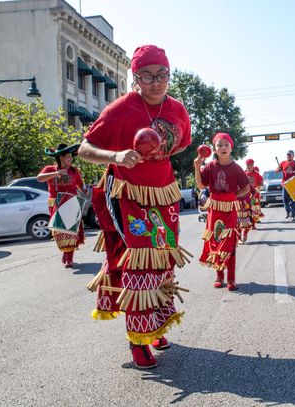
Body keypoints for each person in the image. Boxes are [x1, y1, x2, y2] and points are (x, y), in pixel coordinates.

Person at [78, 44, 192, 369]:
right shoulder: (120, 110)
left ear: (169, 75)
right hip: (127, 195)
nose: (156, 82)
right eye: (147, 75)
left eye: (162, 75)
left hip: (165, 195)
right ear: (136, 78)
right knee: (140, 266)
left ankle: (156, 326)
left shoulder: (177, 109)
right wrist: (116, 156)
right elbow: (85, 148)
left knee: (162, 261)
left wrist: (158, 152)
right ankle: (137, 339)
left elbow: (182, 142)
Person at [194, 132, 250, 291]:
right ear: (214, 149)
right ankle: (219, 276)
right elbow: (200, 185)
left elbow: (246, 188)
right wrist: (197, 167)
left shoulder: (237, 168)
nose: (223, 147)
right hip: (214, 209)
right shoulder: (210, 166)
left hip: (230, 209)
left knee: (229, 242)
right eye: (219, 145)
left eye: (226, 145)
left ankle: (231, 279)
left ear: (231, 148)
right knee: (216, 240)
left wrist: (234, 196)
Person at [37, 143, 86, 268]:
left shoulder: (74, 171)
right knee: (61, 231)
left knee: (71, 232)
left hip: (72, 202)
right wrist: (56, 173)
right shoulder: (49, 169)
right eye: (68, 157)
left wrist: (84, 189)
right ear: (61, 158)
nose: (70, 159)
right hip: (57, 203)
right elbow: (39, 178)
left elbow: (80, 184)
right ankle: (66, 255)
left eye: (71, 157)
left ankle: (68, 258)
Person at [276, 150, 295, 221]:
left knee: (293, 199)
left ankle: (293, 214)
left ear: (293, 156)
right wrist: (278, 169)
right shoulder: (283, 163)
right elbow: (276, 170)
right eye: (288, 154)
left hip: (293, 183)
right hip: (285, 183)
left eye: (290, 155)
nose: (289, 156)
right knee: (285, 199)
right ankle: (288, 212)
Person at [245, 159, 264, 229]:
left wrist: (258, 185)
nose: (249, 166)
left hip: (254, 195)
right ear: (246, 165)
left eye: (251, 165)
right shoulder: (243, 173)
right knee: (246, 210)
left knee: (254, 210)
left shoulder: (256, 174)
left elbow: (261, 182)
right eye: (248, 165)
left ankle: (253, 225)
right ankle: (246, 224)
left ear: (253, 165)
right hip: (245, 194)